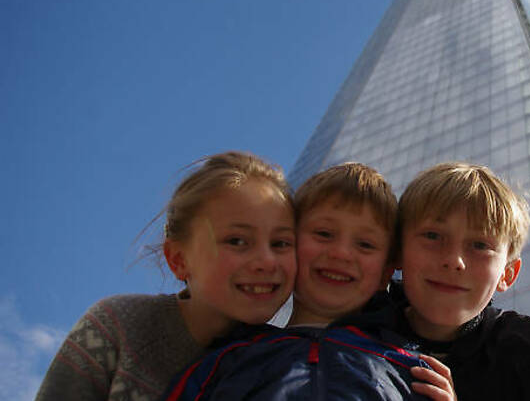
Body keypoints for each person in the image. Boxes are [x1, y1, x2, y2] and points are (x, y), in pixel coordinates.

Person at [163, 163, 454, 401]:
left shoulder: (412, 369)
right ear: (289, 245)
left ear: (386, 272)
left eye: (365, 244)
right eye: (324, 234)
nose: (340, 253)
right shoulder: (225, 359)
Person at [36, 151, 297, 401]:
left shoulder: (288, 361)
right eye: (237, 240)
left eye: (282, 243)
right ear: (179, 259)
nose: (266, 261)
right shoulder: (119, 325)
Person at [369, 162, 530, 401]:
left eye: (480, 245)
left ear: (507, 274)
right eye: (433, 236)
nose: (453, 260)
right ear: (398, 252)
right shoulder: (359, 326)